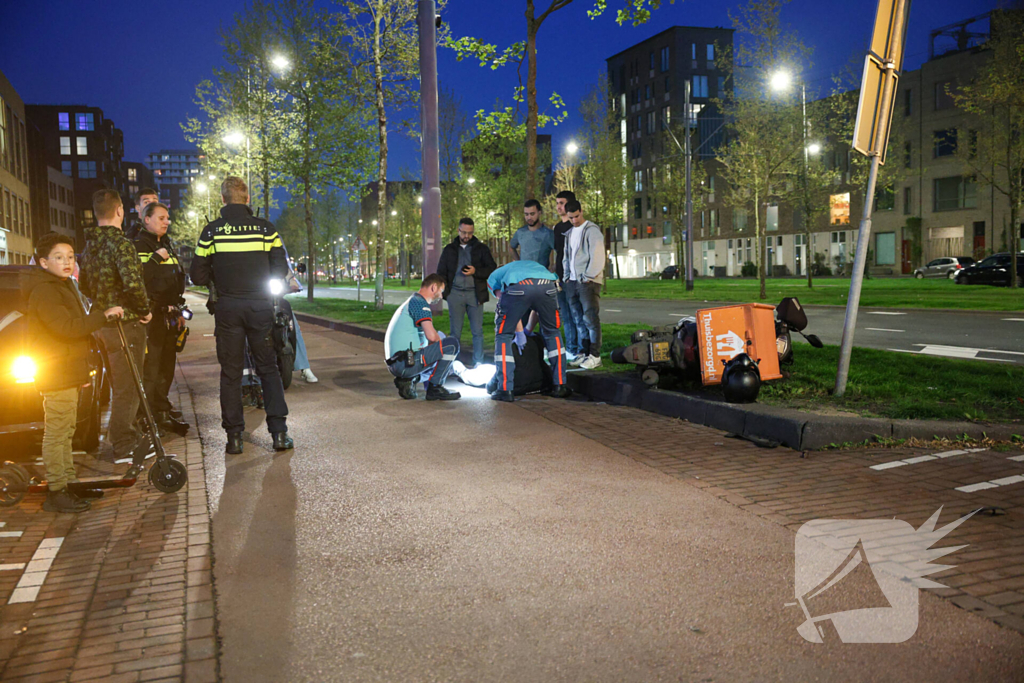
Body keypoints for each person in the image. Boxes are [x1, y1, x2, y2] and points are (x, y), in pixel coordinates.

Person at [190, 176, 294, 455]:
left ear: (222, 199)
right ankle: (279, 434)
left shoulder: (211, 231)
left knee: (231, 373)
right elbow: (280, 269)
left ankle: (234, 438)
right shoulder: (265, 229)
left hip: (227, 308)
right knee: (268, 368)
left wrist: (219, 278)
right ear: (247, 199)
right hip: (260, 306)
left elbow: (197, 274)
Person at [25, 233, 124, 512]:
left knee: (67, 429)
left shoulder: (65, 284)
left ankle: (69, 483)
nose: (67, 262)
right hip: (56, 371)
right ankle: (57, 491)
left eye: (70, 256)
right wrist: (103, 316)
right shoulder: (45, 291)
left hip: (68, 368)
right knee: (57, 432)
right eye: (58, 257)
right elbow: (68, 327)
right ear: (43, 262)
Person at [80, 189, 154, 464]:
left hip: (101, 324)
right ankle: (124, 444)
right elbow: (133, 284)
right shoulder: (121, 245)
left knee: (116, 384)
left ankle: (126, 436)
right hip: (125, 324)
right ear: (120, 211)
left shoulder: (89, 247)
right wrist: (144, 311)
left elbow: (84, 285)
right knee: (129, 385)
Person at [134, 202, 189, 435]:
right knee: (151, 369)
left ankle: (161, 412)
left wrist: (179, 309)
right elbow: (137, 279)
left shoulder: (167, 244)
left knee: (167, 368)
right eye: (161, 218)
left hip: (170, 316)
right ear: (146, 219)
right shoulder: (138, 246)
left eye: (168, 218)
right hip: (151, 317)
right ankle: (145, 417)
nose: (167, 222)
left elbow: (176, 279)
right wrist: (156, 259)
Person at [486, 260, 571, 402]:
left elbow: (509, 308)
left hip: (518, 286)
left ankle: (505, 389)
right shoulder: (529, 265)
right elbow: (536, 309)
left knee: (503, 335)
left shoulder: (494, 277)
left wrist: (520, 333)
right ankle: (560, 385)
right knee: (552, 332)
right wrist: (527, 331)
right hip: (548, 284)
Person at [384, 274, 461, 401]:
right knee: (451, 345)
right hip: (405, 363)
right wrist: (444, 356)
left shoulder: (413, 301)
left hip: (399, 362)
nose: (441, 296)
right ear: (434, 287)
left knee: (441, 339)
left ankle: (411, 380)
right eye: (441, 291)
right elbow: (432, 337)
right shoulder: (420, 303)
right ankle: (435, 387)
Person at [435, 217, 496, 368]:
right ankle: (452, 364)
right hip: (455, 294)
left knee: (477, 331)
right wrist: (446, 293)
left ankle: (478, 363)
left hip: (475, 294)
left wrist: (476, 271)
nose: (467, 236)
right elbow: (441, 271)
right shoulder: (449, 249)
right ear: (458, 230)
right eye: (464, 232)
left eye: (470, 233)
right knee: (455, 332)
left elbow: (491, 269)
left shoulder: (481, 249)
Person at [561, 200, 605, 370]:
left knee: (590, 318)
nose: (574, 220)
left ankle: (595, 355)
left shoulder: (592, 230)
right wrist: (566, 277)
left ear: (581, 211)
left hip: (587, 281)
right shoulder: (570, 233)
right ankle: (584, 352)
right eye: (571, 217)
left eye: (577, 216)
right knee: (578, 319)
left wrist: (589, 276)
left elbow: (597, 255)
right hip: (572, 281)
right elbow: (566, 257)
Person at [552, 190, 581, 361]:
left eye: (561, 203)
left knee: (576, 314)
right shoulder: (557, 228)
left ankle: (579, 349)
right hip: (560, 276)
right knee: (565, 314)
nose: (558, 207)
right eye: (557, 203)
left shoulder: (575, 227)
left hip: (573, 277)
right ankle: (571, 348)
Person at [509, 199, 554, 268]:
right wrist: (518, 263)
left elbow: (561, 253)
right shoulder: (520, 232)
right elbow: (511, 247)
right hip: (523, 272)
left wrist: (553, 269)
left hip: (540, 273)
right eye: (526, 214)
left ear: (539, 213)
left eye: (532, 214)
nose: (529, 217)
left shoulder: (548, 234)